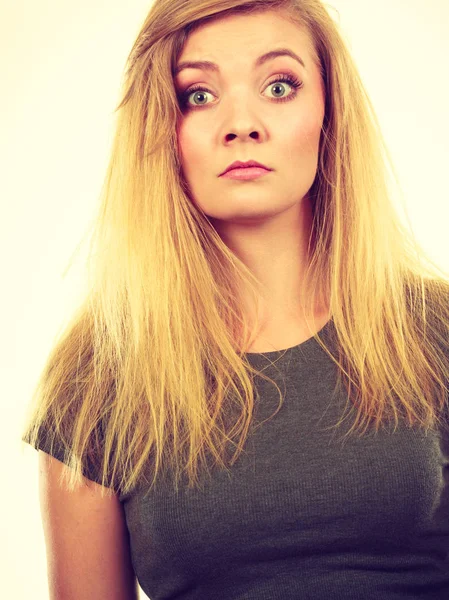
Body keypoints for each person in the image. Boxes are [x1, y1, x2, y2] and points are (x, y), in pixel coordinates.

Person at [21, 1, 449, 599]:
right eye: (198, 95)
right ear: (160, 128)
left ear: (329, 113)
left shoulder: (435, 330)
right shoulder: (98, 374)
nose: (241, 123)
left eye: (279, 85)